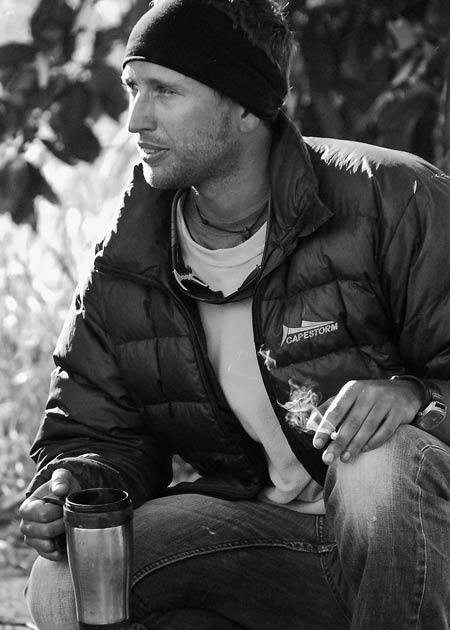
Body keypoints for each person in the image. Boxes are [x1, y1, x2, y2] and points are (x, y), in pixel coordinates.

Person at [19, 0, 450, 628]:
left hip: (422, 545)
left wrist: (414, 396)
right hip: (272, 541)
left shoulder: (395, 198)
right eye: (133, 88)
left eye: (166, 91)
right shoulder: (129, 258)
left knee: (376, 463)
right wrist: (76, 483)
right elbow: (98, 431)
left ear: (247, 106)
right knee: (64, 584)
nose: (136, 119)